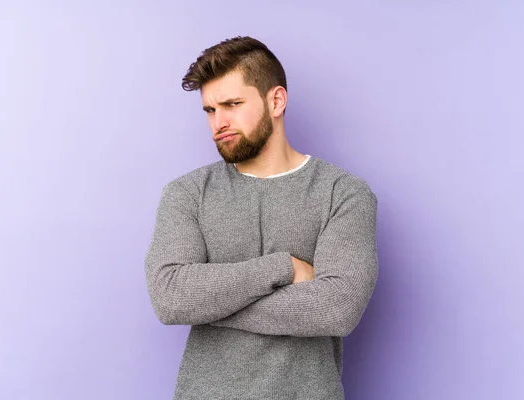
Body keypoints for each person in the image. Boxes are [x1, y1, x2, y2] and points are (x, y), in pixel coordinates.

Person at [144, 35, 378, 400]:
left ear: (276, 101)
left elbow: (336, 309)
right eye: (209, 109)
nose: (218, 122)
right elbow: (170, 297)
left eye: (232, 104)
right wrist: (283, 268)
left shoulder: (342, 193)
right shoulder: (187, 193)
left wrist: (210, 306)